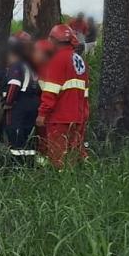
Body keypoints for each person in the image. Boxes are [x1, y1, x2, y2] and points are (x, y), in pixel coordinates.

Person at [37, 24, 90, 168]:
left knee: (58, 155)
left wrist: (42, 113)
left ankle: (60, 181)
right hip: (78, 115)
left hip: (60, 117)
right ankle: (79, 176)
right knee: (75, 151)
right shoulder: (79, 60)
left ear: (54, 40)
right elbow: (84, 90)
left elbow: (51, 91)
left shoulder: (57, 60)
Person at [1, 32, 41, 160]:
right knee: (28, 135)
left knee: (16, 134)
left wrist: (7, 103)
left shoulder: (17, 65)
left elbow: (14, 85)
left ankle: (16, 167)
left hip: (20, 103)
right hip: (33, 102)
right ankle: (28, 165)